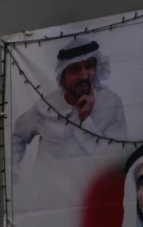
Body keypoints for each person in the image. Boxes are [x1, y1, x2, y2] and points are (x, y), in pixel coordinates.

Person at [11, 38, 129, 167]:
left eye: (89, 66)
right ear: (62, 78)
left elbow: (116, 158)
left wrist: (85, 121)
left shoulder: (111, 103)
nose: (84, 76)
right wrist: (14, 175)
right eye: (75, 69)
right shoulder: (46, 106)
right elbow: (18, 135)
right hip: (48, 186)